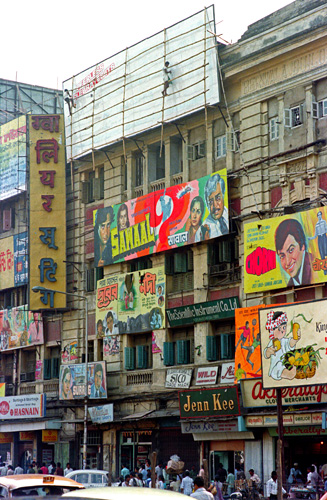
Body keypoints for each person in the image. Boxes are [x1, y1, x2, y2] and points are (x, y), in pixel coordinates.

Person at [264, 310, 300, 381]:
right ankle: (289, 374)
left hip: (286, 364)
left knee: (289, 363)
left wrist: (295, 339)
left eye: (284, 328)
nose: (282, 331)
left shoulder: (284, 341)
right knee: (279, 367)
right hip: (275, 367)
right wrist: (269, 351)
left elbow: (290, 343)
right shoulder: (273, 342)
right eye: (279, 328)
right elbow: (266, 353)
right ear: (272, 330)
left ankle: (292, 371)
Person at [275, 218, 313, 287]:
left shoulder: (316, 269)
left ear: (302, 246)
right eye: (282, 256)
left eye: (291, 250)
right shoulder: (291, 284)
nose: (288, 262)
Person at [203, 173, 229, 238]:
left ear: (223, 195)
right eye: (211, 201)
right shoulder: (205, 227)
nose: (215, 205)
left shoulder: (229, 213)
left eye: (218, 198)